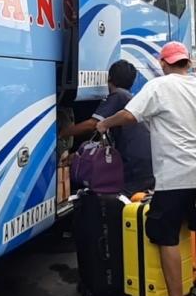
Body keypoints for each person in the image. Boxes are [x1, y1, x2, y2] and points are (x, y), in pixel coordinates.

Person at [96, 42, 196, 296]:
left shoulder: (159, 86)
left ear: (163, 64)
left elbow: (130, 115)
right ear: (187, 63)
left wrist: (105, 123)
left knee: (165, 237)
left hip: (173, 177)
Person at [59, 60, 154, 195]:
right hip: (145, 162)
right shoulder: (128, 96)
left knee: (121, 201)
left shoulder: (118, 96)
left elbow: (92, 125)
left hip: (134, 165)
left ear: (109, 77)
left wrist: (62, 133)